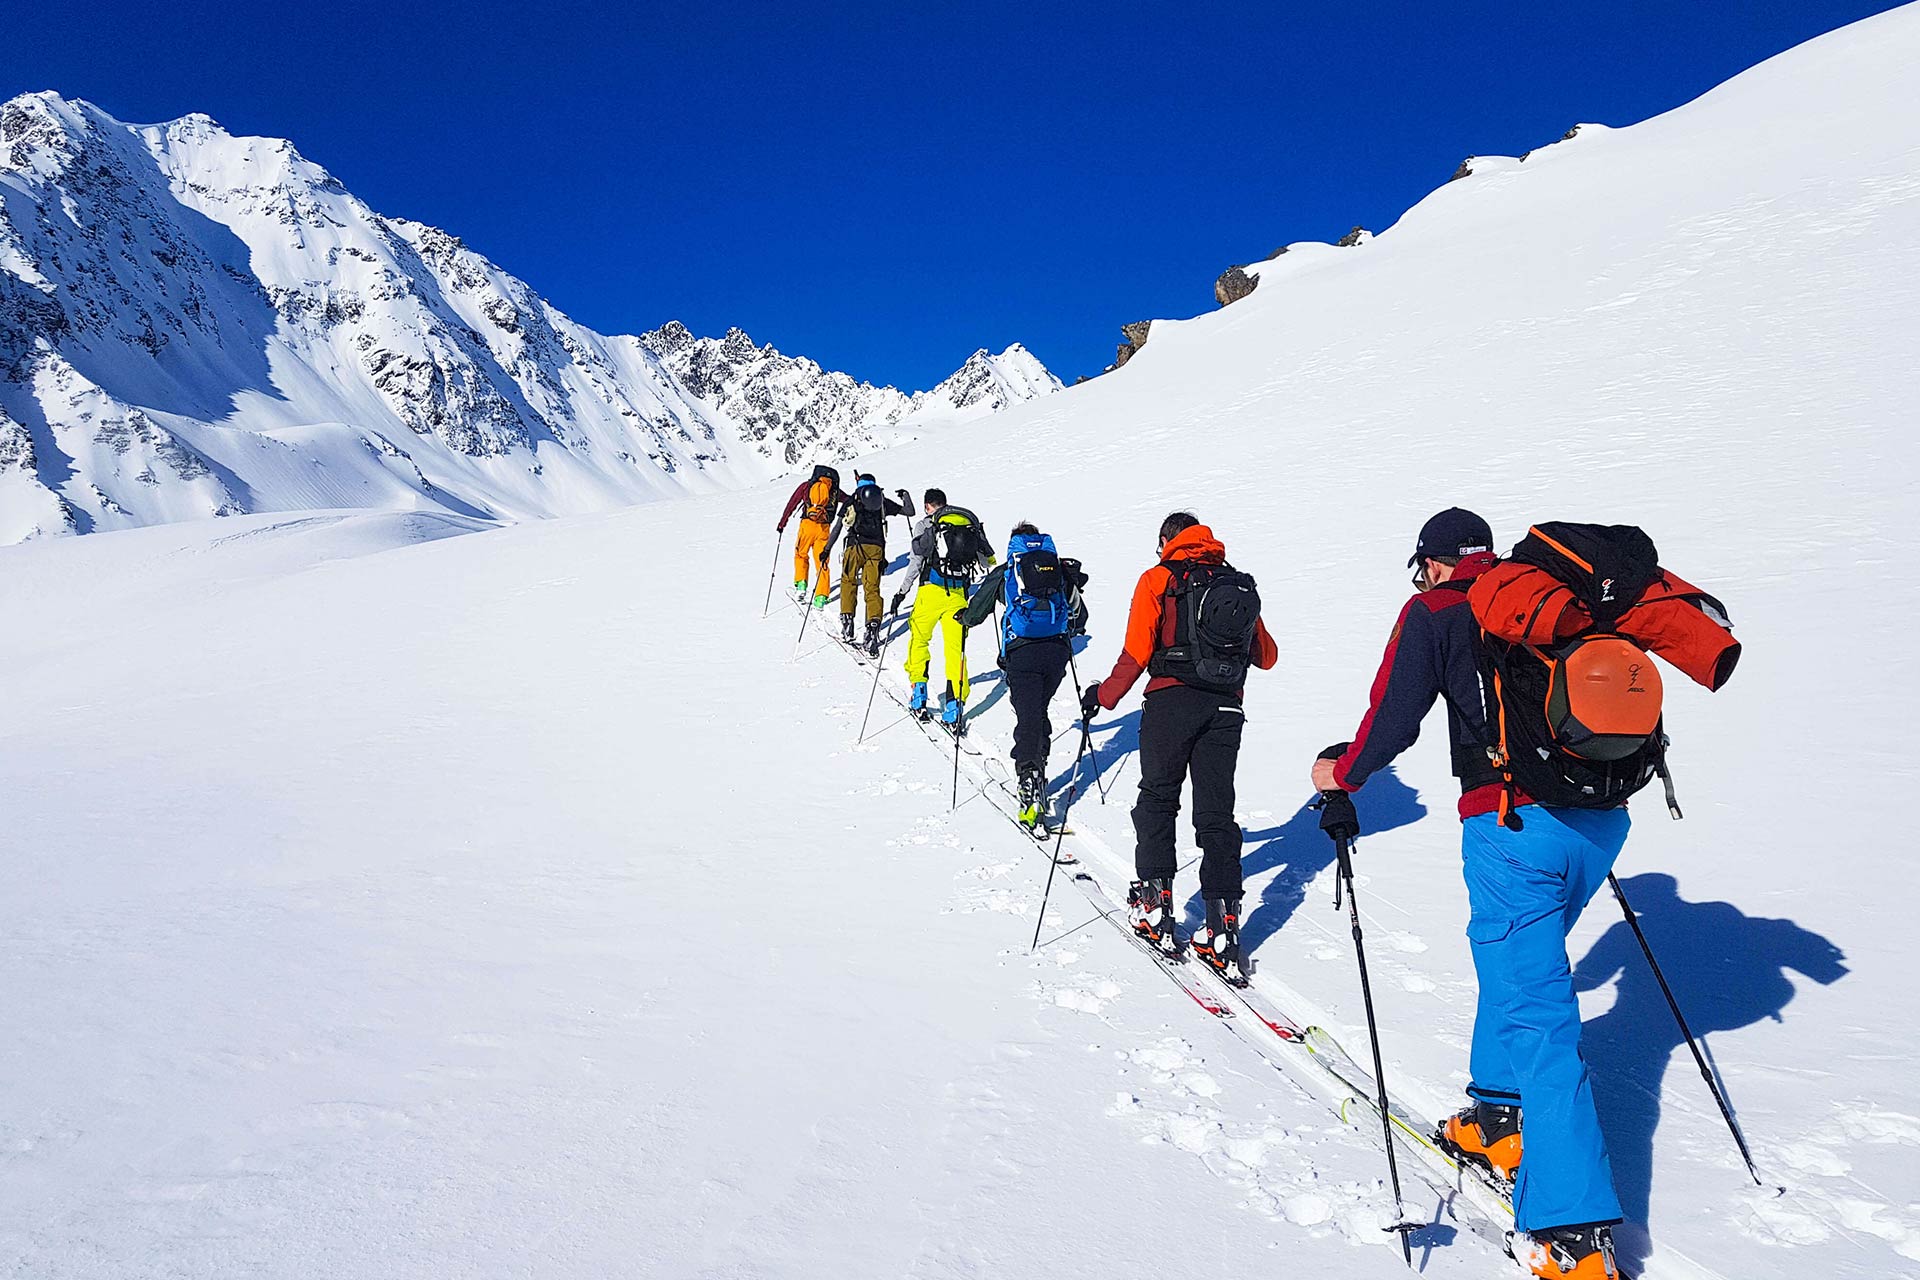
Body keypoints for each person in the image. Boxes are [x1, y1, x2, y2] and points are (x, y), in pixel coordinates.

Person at [1311, 507, 1687, 1280]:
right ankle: (1495, 1112)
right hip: (1601, 821)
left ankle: (1573, 1230)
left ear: (1439, 563)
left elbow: (1392, 718)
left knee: (1538, 1011)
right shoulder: (1557, 604)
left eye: (1422, 568)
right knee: (1520, 970)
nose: (1422, 580)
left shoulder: (1438, 610)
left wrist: (1340, 774)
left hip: (1511, 824)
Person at [1081, 512, 1276, 981]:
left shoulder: (1159, 578)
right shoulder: (1234, 582)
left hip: (1170, 702)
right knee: (1216, 814)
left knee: (1158, 798)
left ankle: (1154, 905)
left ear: (1168, 540)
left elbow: (1136, 652)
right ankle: (1223, 925)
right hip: (1226, 710)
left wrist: (1103, 697)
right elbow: (1266, 657)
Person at [958, 523, 1088, 833]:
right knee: (1037, 711)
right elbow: (1080, 617)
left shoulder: (1008, 571)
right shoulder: (1057, 569)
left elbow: (977, 611)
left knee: (1028, 716)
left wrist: (963, 618)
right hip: (1056, 653)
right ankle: (1037, 764)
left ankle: (1030, 780)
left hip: (1022, 653)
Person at [890, 489, 992, 727]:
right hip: (959, 595)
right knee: (956, 650)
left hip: (930, 592)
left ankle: (919, 694)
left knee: (919, 640)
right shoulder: (967, 522)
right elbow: (987, 561)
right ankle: (954, 705)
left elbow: (916, 561)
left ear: (927, 506)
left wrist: (902, 592)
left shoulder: (926, 525)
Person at [827, 474, 911, 656]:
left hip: (854, 546)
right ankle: (873, 626)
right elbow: (909, 512)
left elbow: (838, 527)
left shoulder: (852, 499)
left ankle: (847, 621)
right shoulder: (881, 500)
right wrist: (905, 496)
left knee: (848, 582)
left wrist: (827, 549)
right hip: (876, 550)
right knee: (872, 589)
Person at [775, 464, 848, 608]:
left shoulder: (807, 486)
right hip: (824, 527)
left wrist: (782, 523)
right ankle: (821, 597)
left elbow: (792, 504)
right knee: (822, 561)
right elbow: (847, 499)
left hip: (807, 525)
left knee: (801, 554)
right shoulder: (833, 490)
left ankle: (801, 585)